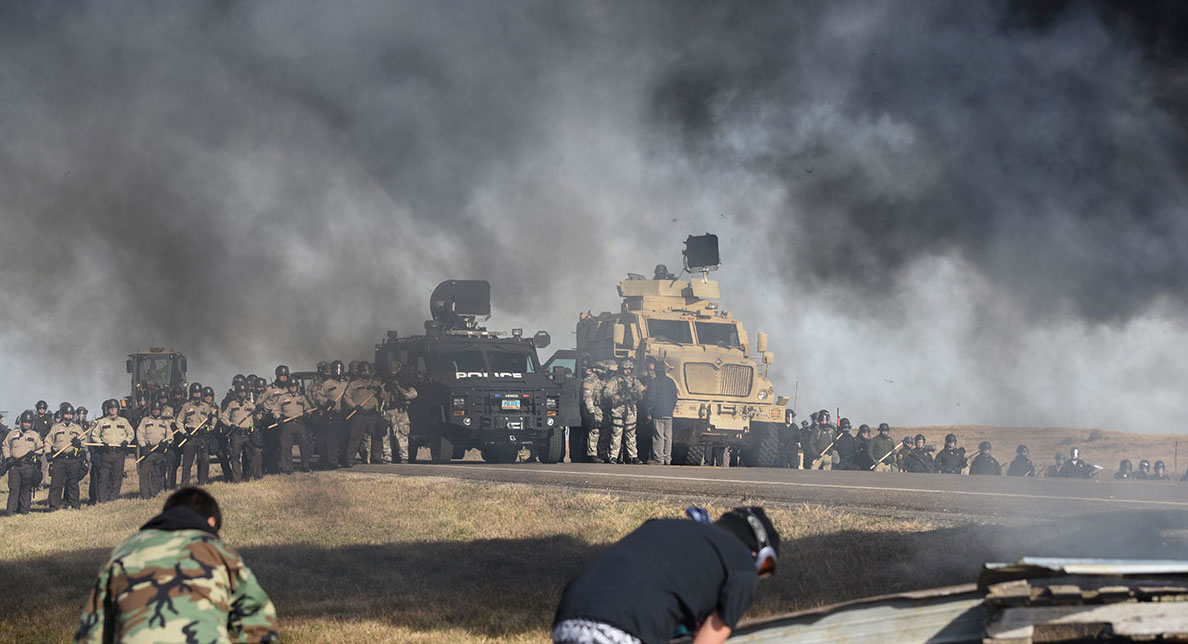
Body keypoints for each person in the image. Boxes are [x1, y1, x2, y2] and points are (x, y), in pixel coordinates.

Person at [74, 487, 279, 643]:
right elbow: (259, 621)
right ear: (210, 522)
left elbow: (93, 630)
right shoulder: (219, 551)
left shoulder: (123, 551)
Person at [553, 507, 779, 644]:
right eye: (764, 569)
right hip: (623, 631)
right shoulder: (741, 562)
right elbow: (714, 633)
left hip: (568, 618)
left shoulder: (665, 527)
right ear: (757, 553)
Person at [266, 378, 314, 474]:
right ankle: (288, 468)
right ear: (288, 387)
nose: (293, 388)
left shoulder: (302, 398)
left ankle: (305, 465)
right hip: (287, 424)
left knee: (305, 445)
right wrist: (278, 418)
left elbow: (308, 409)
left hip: (300, 424)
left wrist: (307, 414)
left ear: (297, 387)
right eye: (291, 386)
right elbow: (275, 410)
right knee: (286, 446)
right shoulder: (282, 398)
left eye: (294, 386)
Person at [602, 359, 646, 464]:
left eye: (629, 369)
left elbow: (643, 393)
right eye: (625, 369)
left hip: (630, 410)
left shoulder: (635, 381)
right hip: (618, 409)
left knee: (631, 434)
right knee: (616, 433)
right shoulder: (615, 380)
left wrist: (636, 394)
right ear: (621, 369)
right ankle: (613, 456)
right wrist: (618, 396)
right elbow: (606, 393)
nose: (627, 371)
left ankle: (633, 456)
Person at [45, 403, 87, 511]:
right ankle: (54, 506)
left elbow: (84, 442)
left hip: (73, 459)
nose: (68, 417)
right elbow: (48, 441)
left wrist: (79, 444)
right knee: (56, 483)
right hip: (59, 459)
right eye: (66, 414)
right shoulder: (55, 428)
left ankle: (75, 505)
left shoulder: (78, 428)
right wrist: (48, 453)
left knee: (73, 484)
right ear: (62, 415)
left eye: (70, 415)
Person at [3, 411, 45, 515]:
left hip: (28, 466)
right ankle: (11, 512)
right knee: (14, 489)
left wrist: (34, 454)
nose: (27, 424)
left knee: (26, 490)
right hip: (15, 466)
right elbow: (5, 446)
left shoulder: (35, 435)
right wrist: (8, 458)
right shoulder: (12, 433)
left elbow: (41, 448)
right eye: (25, 422)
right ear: (21, 422)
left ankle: (24, 511)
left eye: (29, 422)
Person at [94, 399, 135, 503]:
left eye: (115, 408)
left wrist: (127, 441)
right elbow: (94, 435)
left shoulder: (123, 421)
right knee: (104, 477)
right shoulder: (102, 422)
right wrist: (101, 443)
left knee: (117, 476)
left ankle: (113, 498)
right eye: (111, 408)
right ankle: (102, 499)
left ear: (118, 409)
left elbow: (131, 433)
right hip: (106, 452)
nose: (113, 410)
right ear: (108, 409)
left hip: (119, 452)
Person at [176, 382, 215, 486]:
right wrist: (184, 433)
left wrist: (209, 429)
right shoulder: (186, 406)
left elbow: (212, 421)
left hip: (202, 436)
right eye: (194, 393)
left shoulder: (206, 407)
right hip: (190, 437)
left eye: (198, 393)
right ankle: (184, 485)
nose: (197, 395)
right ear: (191, 394)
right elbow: (179, 421)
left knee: (204, 460)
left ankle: (203, 482)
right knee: (187, 463)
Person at [345, 362, 384, 465]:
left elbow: (385, 397)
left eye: (368, 371)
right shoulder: (353, 384)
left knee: (377, 436)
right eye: (363, 371)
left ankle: (376, 458)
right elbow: (346, 397)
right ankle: (350, 459)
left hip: (372, 413)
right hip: (359, 413)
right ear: (359, 372)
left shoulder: (376, 384)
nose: (366, 373)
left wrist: (380, 391)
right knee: (355, 437)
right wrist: (354, 406)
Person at [312, 360, 349, 469]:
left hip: (344, 414)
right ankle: (332, 461)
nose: (338, 372)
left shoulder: (347, 384)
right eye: (336, 370)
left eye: (340, 370)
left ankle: (343, 459)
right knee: (332, 439)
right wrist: (326, 401)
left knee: (344, 439)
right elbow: (318, 397)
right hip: (332, 414)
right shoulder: (327, 384)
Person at [221, 383, 260, 482]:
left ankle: (247, 476)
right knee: (235, 457)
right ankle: (236, 479)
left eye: (244, 392)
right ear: (237, 393)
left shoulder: (250, 405)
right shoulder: (232, 404)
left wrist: (257, 413)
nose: (242, 394)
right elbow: (223, 417)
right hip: (236, 435)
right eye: (240, 392)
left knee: (250, 456)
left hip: (248, 434)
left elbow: (258, 418)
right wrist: (231, 425)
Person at [136, 401, 174, 499]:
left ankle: (155, 493)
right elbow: (139, 433)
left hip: (160, 451)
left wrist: (166, 443)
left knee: (158, 473)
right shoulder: (145, 420)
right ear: (151, 410)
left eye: (158, 410)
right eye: (154, 409)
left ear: (160, 411)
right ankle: (145, 495)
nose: (156, 411)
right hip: (148, 451)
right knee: (144, 473)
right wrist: (143, 446)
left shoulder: (164, 422)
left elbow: (170, 436)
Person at [382, 362, 418, 463]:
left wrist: (398, 387)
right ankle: (387, 457)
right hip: (387, 410)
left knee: (401, 434)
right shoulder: (384, 382)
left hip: (400, 411)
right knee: (385, 435)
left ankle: (404, 457)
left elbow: (411, 395)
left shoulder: (406, 382)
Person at [644, 362, 678, 465]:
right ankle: (667, 458)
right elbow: (674, 398)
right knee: (668, 436)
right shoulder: (671, 382)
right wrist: (670, 409)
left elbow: (651, 399)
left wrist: (649, 411)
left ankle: (659, 458)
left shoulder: (654, 382)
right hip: (668, 413)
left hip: (658, 413)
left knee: (658, 436)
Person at [580, 362, 605, 463]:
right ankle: (592, 454)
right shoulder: (590, 380)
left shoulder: (602, 381)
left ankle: (602, 453)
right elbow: (587, 397)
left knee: (604, 431)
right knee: (594, 430)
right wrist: (591, 411)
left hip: (602, 409)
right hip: (593, 408)